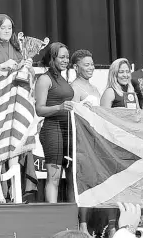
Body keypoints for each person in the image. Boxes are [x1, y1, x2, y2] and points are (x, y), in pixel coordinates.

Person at [0, 14, 35, 204]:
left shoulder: (19, 49)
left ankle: (15, 190)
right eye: (3, 28)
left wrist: (28, 67)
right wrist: (2, 66)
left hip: (15, 103)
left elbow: (28, 77)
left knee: (15, 147)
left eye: (9, 28)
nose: (6, 31)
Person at [34, 42, 74, 205]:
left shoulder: (64, 79)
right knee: (54, 177)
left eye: (67, 57)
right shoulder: (44, 79)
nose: (66, 60)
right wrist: (59, 107)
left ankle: (73, 217)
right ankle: (53, 213)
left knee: (72, 177)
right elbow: (39, 110)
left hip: (69, 131)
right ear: (52, 58)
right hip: (53, 130)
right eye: (62, 57)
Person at [69, 49, 100, 235]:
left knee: (91, 182)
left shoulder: (95, 89)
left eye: (92, 64)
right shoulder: (74, 87)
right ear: (76, 67)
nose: (91, 67)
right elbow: (71, 113)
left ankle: (87, 223)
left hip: (95, 141)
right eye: (86, 64)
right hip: (81, 141)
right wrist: (82, 109)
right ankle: (79, 225)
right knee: (79, 181)